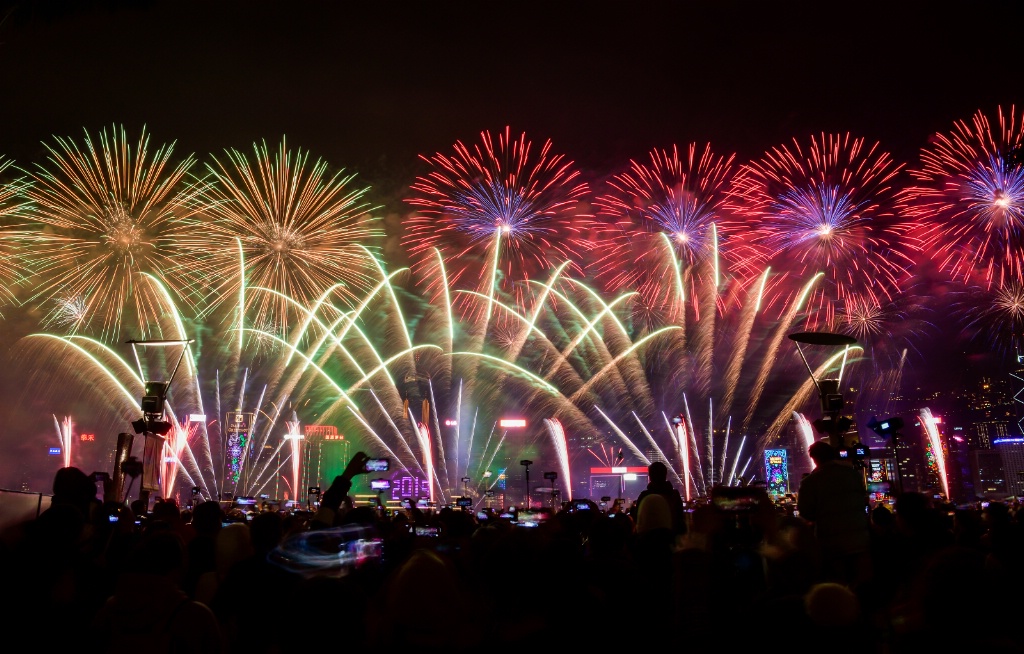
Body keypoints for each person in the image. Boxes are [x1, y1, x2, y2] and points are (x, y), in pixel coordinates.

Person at [797, 440, 871, 588]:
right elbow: (863, 501)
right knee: (863, 586)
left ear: (814, 458)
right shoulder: (853, 474)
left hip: (831, 544)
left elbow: (806, 512)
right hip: (860, 540)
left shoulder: (810, 481)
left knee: (839, 586)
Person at [631, 460, 688, 541]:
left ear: (650, 476)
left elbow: (638, 518)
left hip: (648, 541)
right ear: (665, 475)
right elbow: (680, 517)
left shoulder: (644, 495)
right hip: (671, 540)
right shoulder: (674, 495)